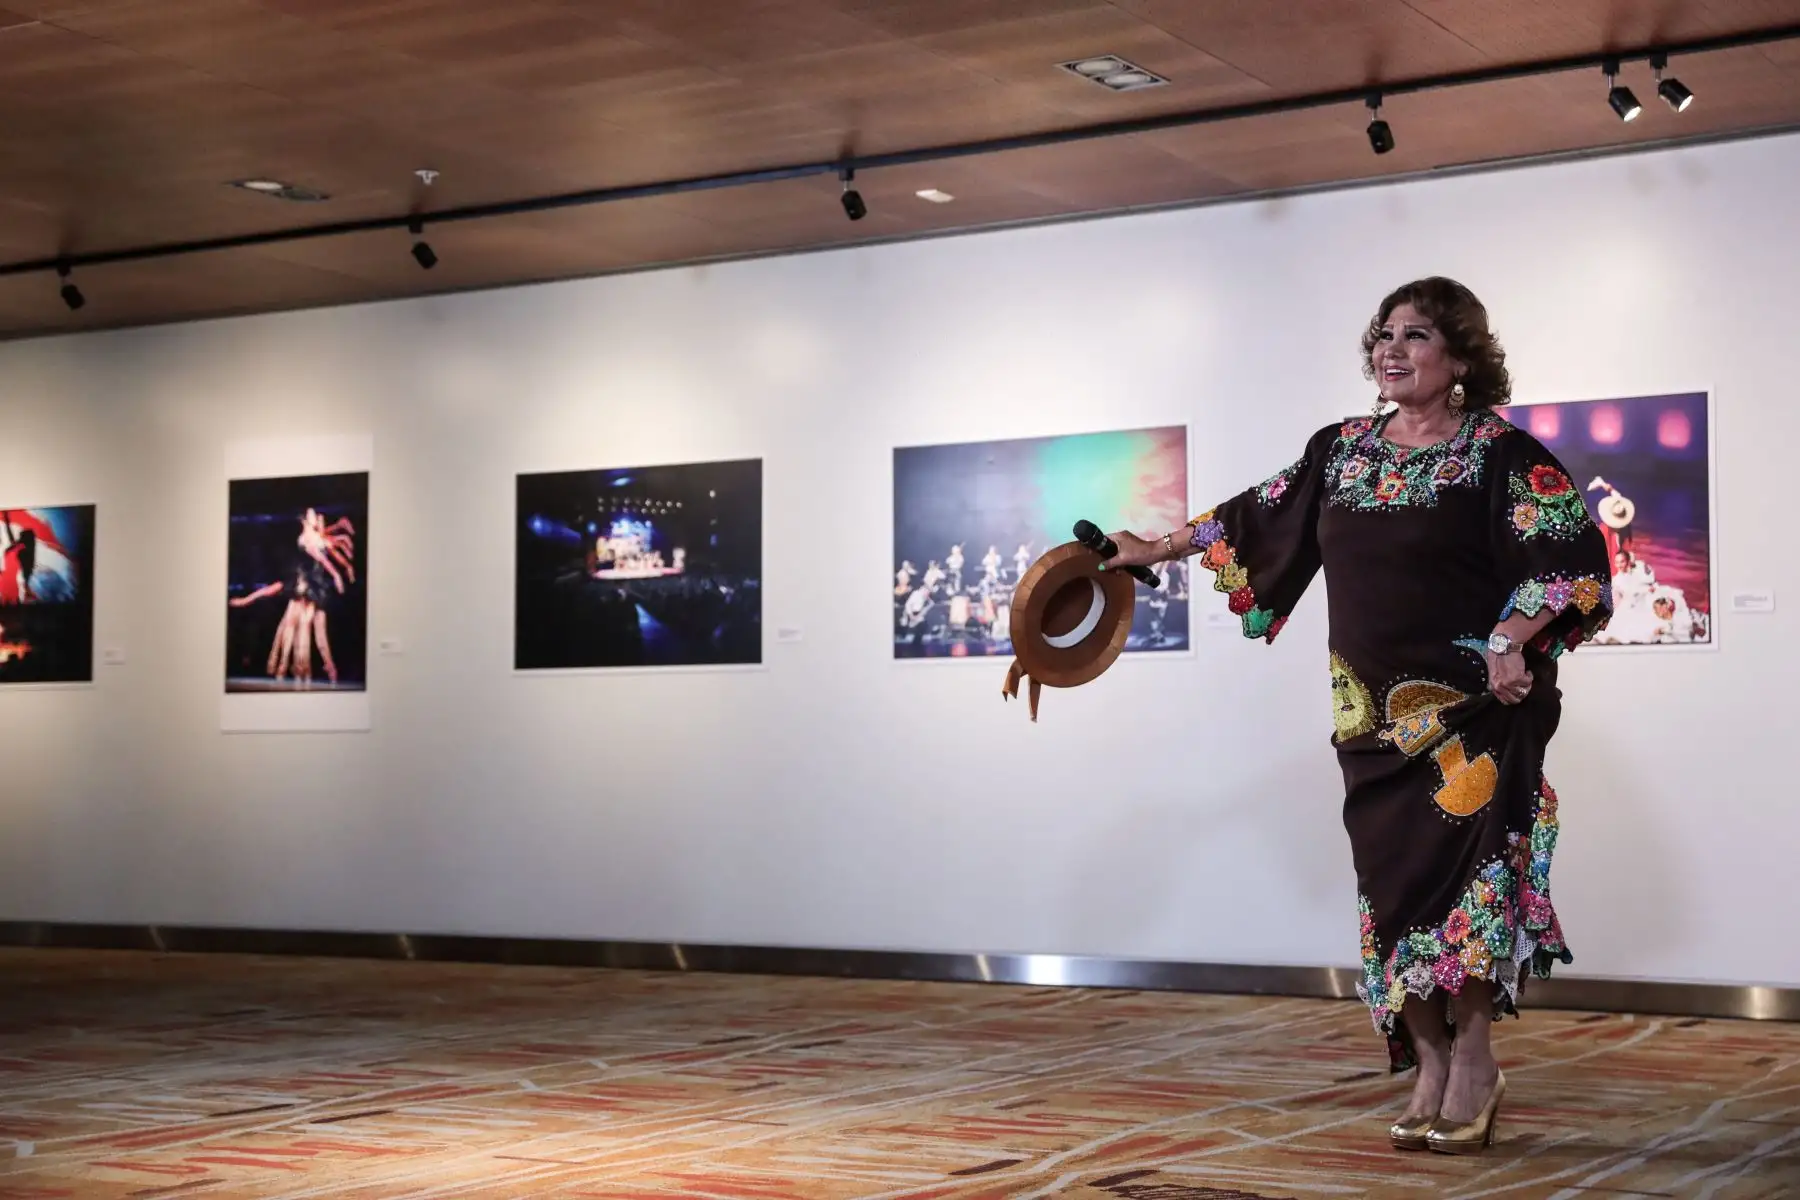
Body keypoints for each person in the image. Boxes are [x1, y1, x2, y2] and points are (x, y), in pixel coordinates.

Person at [1101, 278, 1612, 1155]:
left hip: (1478, 714)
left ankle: (1475, 1063)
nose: (1391, 349)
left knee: (1474, 888)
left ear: (1460, 358)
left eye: (1415, 335)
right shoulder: (1340, 452)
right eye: (1384, 334)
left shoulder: (1501, 454)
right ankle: (1427, 1062)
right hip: (1372, 723)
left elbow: (1571, 564)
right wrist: (1151, 547)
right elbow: (1252, 516)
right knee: (1393, 890)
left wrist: (1513, 637)